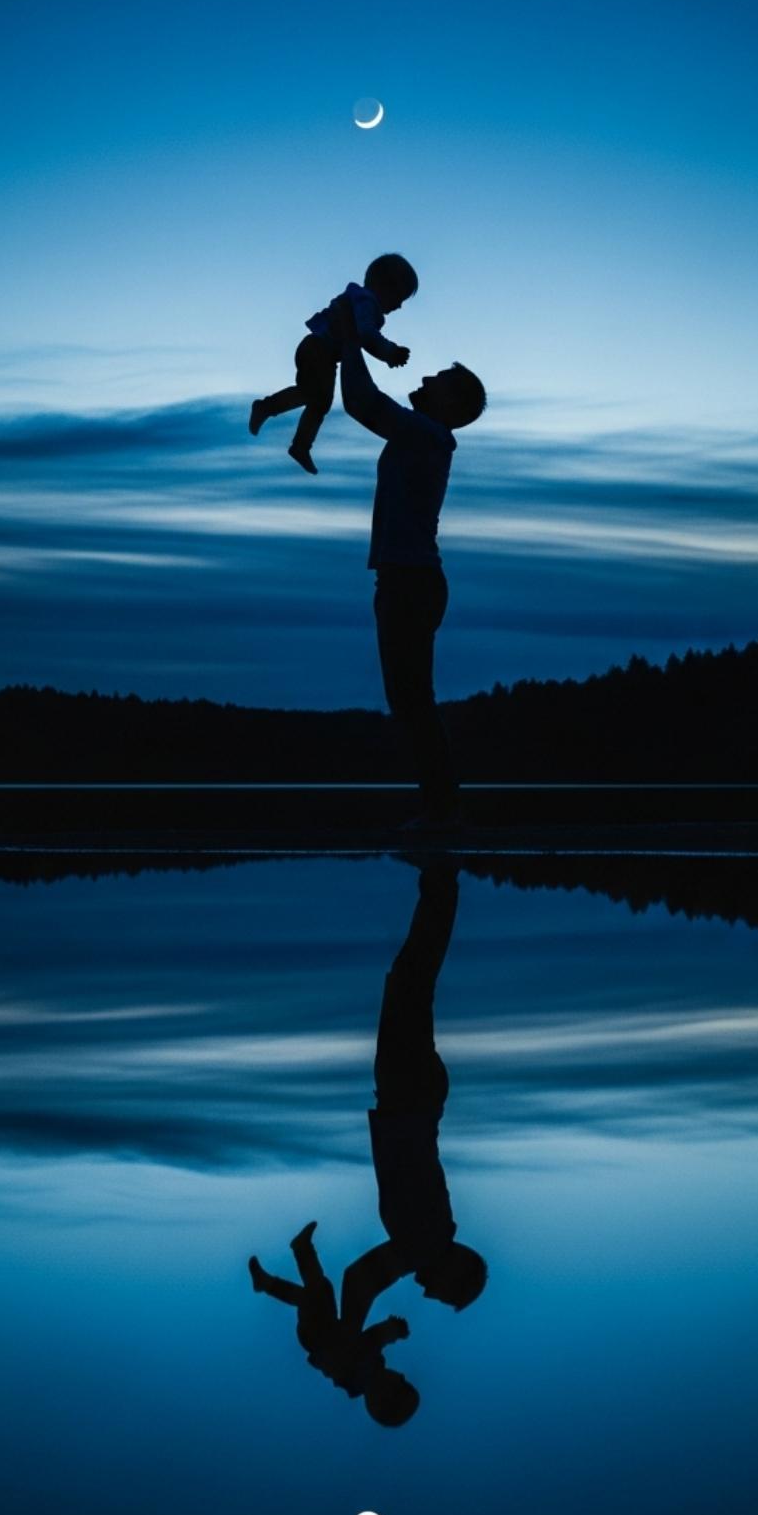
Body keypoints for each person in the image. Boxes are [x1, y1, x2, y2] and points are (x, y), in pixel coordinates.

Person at [329, 295, 486, 829]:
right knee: (408, 696)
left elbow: (362, 403)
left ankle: (443, 809)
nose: (428, 376)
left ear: (451, 405)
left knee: (413, 697)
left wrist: (350, 338)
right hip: (404, 580)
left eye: (440, 377)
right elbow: (365, 402)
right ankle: (441, 806)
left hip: (412, 582)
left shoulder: (429, 434)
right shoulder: (425, 434)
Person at [341, 863, 488, 1335]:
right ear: (454, 1272)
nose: (431, 1295)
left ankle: (438, 877)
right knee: (412, 978)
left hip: (414, 1097)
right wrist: (351, 1338)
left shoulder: (427, 1242)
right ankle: (441, 874)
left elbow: (360, 1279)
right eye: (446, 1296)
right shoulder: (422, 1246)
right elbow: (359, 1278)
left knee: (411, 979)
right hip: (408, 1096)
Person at [248, 253, 417, 475]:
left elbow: (361, 338)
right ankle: (275, 418)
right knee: (316, 398)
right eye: (399, 298)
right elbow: (366, 335)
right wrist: (390, 352)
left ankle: (298, 442)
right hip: (318, 350)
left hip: (320, 353)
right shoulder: (366, 303)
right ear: (384, 287)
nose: (399, 306)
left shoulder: (360, 301)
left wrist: (386, 354)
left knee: (317, 399)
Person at [248, 1220, 419, 1427]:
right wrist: (392, 1331)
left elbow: (370, 1341)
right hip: (328, 1329)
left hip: (317, 1335)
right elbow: (371, 1342)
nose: (401, 1374)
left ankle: (280, 1271)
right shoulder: (368, 1369)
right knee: (318, 1291)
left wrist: (392, 1330)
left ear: (383, 1396)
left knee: (314, 1295)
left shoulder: (358, 1375)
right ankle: (291, 1258)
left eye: (401, 1383)